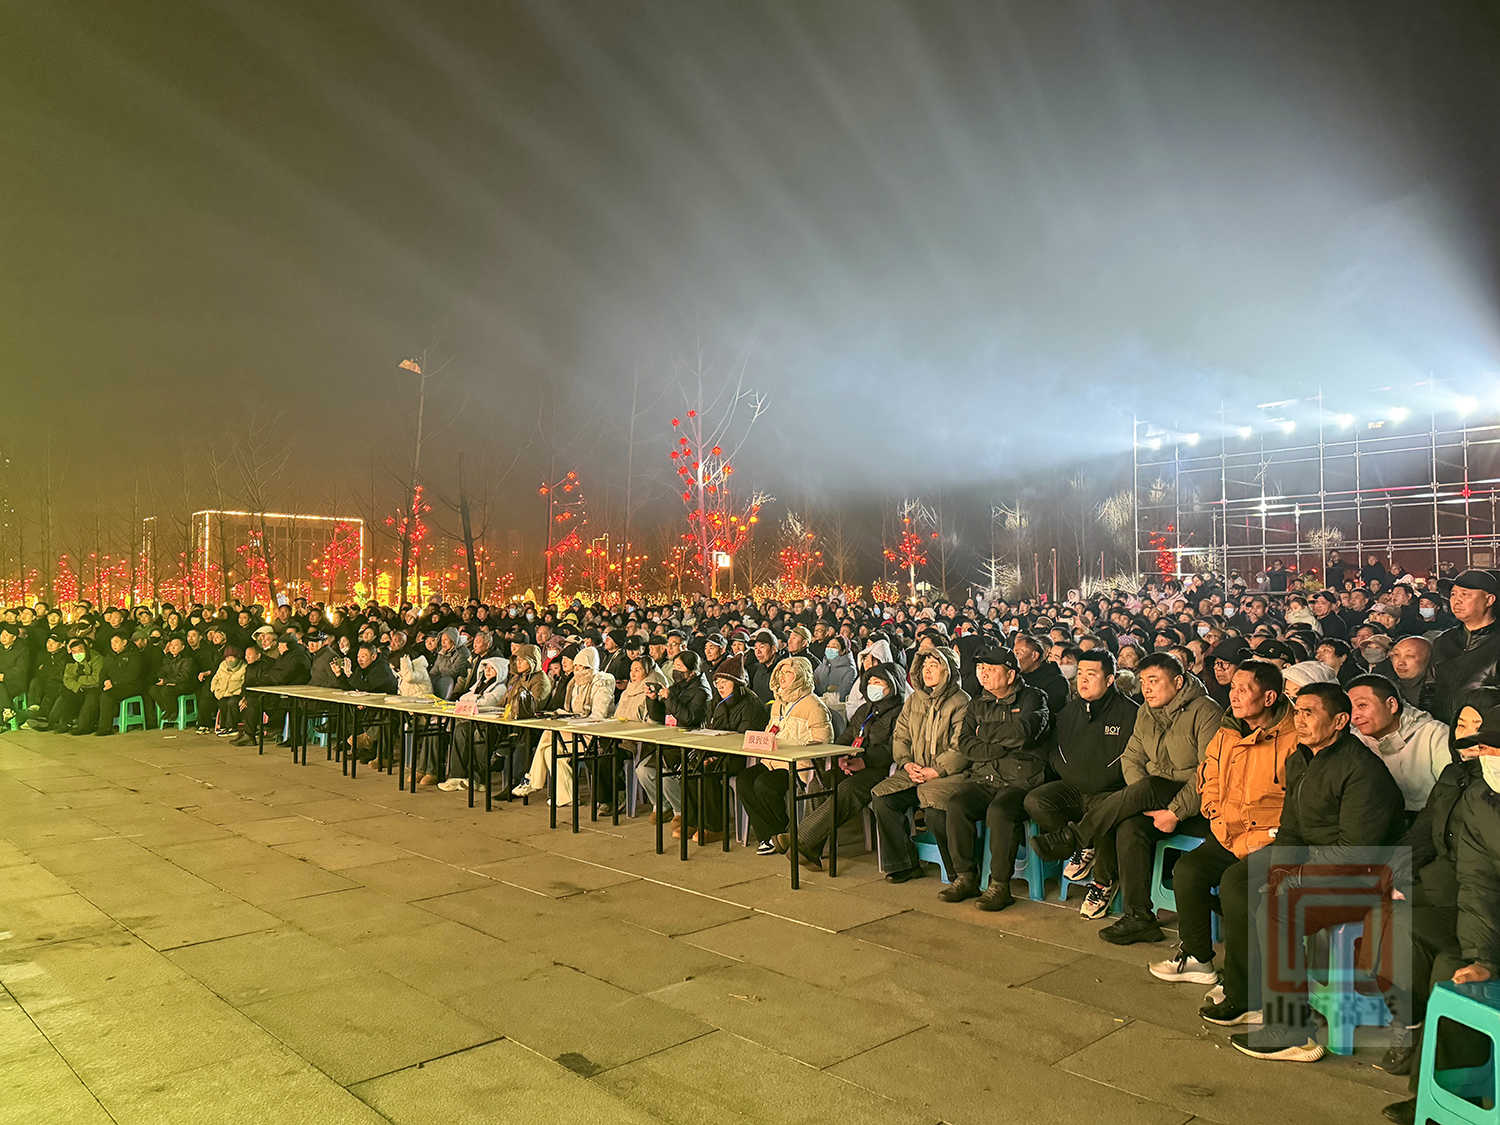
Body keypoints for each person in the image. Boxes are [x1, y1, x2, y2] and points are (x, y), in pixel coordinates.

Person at [1218, 681, 1404, 1062]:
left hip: (1362, 877)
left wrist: (1293, 878)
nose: (1299, 721)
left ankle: (1292, 1029)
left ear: (1339, 721)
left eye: (1309, 713)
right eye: (1297, 712)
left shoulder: (1361, 770)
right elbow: (1291, 830)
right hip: (1312, 861)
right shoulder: (1300, 759)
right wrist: (1280, 870)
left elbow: (1354, 853)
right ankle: (1249, 996)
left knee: (1280, 907)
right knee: (1238, 881)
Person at [1034, 652, 1222, 944]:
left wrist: (1174, 811)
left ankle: (1076, 837)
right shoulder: (1146, 712)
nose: (1147, 688)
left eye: (1154, 680)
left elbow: (1208, 774)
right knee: (1130, 827)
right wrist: (1140, 798)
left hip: (1195, 804)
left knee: (1149, 787)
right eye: (1143, 681)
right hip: (1153, 796)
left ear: (1178, 682)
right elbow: (1132, 757)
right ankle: (1139, 917)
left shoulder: (1206, 711)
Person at [1148, 659, 1297, 989]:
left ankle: (1245, 982)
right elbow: (1210, 775)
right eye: (1233, 688)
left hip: (1270, 838)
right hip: (1228, 830)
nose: (1234, 695)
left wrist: (1265, 834)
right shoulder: (1228, 730)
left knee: (1235, 884)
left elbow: (1298, 801)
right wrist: (1215, 811)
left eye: (1244, 689)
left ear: (1269, 697)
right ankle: (1198, 958)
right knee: (1188, 871)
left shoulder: (1294, 739)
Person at [931, 647, 1049, 911]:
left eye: (991, 669)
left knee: (1000, 811)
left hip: (1021, 780)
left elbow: (1025, 732)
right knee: (957, 804)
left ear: (1010, 675)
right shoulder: (978, 703)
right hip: (985, 777)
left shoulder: (1033, 697)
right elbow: (966, 743)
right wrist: (1001, 747)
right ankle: (965, 877)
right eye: (981, 669)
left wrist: (984, 732)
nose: (983, 674)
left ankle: (999, 885)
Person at [1023, 649, 1135, 916]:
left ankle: (1103, 883)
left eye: (1091, 674)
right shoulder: (1071, 710)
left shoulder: (1130, 713)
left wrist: (1103, 779)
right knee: (1036, 800)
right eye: (1080, 673)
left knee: (1106, 816)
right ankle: (1084, 845)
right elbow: (1056, 749)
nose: (1083, 680)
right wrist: (1066, 770)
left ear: (1110, 679)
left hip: (1108, 791)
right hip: (1074, 788)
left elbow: (1130, 759)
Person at [871, 646, 971, 882]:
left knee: (936, 810)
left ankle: (958, 873)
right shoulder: (914, 699)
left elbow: (961, 747)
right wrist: (906, 763)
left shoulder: (961, 702)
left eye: (934, 666)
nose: (927, 671)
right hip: (915, 771)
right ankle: (903, 863)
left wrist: (936, 770)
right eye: (924, 666)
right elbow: (901, 735)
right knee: (883, 797)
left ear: (948, 670)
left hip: (949, 775)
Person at [794, 662, 905, 869]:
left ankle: (799, 838)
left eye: (878, 682)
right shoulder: (864, 710)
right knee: (819, 783)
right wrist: (840, 756)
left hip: (880, 770)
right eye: (870, 682)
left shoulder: (901, 713)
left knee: (847, 789)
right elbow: (846, 738)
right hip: (852, 764)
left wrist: (865, 761)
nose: (872, 686)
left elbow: (895, 749)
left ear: (892, 685)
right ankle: (810, 848)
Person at [735, 656, 834, 853]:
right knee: (744, 779)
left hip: (797, 766)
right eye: (781, 672)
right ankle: (772, 834)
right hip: (772, 761)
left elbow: (823, 742)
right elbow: (769, 732)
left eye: (788, 673)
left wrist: (798, 750)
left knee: (764, 785)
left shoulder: (814, 705)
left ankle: (779, 833)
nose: (782, 677)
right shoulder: (778, 703)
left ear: (801, 676)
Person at [1347, 674, 1450, 818]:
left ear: (1392, 705)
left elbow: (1450, 793)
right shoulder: (1354, 741)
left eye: (1362, 705)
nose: (1354, 716)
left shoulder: (1435, 734)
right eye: (1350, 708)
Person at [635, 649, 712, 835]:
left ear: (692, 671)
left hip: (690, 742)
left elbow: (689, 718)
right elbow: (660, 716)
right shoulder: (678, 686)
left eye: (680, 667)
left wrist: (670, 698)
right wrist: (653, 700)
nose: (676, 670)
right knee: (643, 770)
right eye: (675, 666)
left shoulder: (701, 691)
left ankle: (680, 810)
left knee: (666, 772)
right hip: (670, 739)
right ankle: (662, 805)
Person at [1426, 568, 1499, 722]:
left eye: (1465, 594)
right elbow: (1430, 689)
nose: (1456, 601)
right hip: (1443, 730)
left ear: (1489, 600)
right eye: (1453, 594)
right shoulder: (1443, 641)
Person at [94, 630, 145, 736]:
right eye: (112, 643)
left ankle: (105, 728)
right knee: (94, 694)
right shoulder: (110, 655)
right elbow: (103, 672)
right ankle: (92, 724)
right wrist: (105, 681)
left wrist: (114, 683)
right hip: (112, 685)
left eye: (116, 642)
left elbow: (132, 674)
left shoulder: (134, 655)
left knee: (107, 695)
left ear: (124, 642)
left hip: (131, 686)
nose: (113, 645)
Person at [150, 635, 197, 727]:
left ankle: (173, 711)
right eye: (171, 645)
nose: (172, 647)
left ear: (182, 647)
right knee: (153, 689)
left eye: (175, 645)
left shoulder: (187, 659)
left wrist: (167, 681)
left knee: (167, 690)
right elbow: (162, 671)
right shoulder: (168, 658)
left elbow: (184, 676)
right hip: (170, 682)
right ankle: (167, 709)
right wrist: (159, 678)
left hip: (185, 684)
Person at [1388, 636, 1432, 710]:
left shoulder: (1442, 691)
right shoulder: (1385, 687)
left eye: (1410, 656)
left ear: (1427, 658)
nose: (1400, 663)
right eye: (1396, 655)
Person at [0, 623, 31, 727]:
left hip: (15, 683)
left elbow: (20, 670)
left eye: (6, 635)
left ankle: (6, 712)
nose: (3, 637)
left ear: (13, 638)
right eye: (2, 634)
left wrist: (5, 676)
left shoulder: (22, 649)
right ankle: (7, 710)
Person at [209, 647, 246, 734]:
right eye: (227, 657)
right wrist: (214, 690)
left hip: (237, 694)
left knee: (232, 703)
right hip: (222, 693)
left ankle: (232, 727)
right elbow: (215, 678)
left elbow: (244, 683)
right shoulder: (222, 665)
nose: (229, 660)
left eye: (232, 657)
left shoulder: (244, 667)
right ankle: (223, 727)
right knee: (222, 703)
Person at [812, 635, 857, 702]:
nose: (829, 649)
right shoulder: (823, 665)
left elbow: (842, 694)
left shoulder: (850, 670)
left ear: (843, 651)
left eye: (834, 647)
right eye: (828, 646)